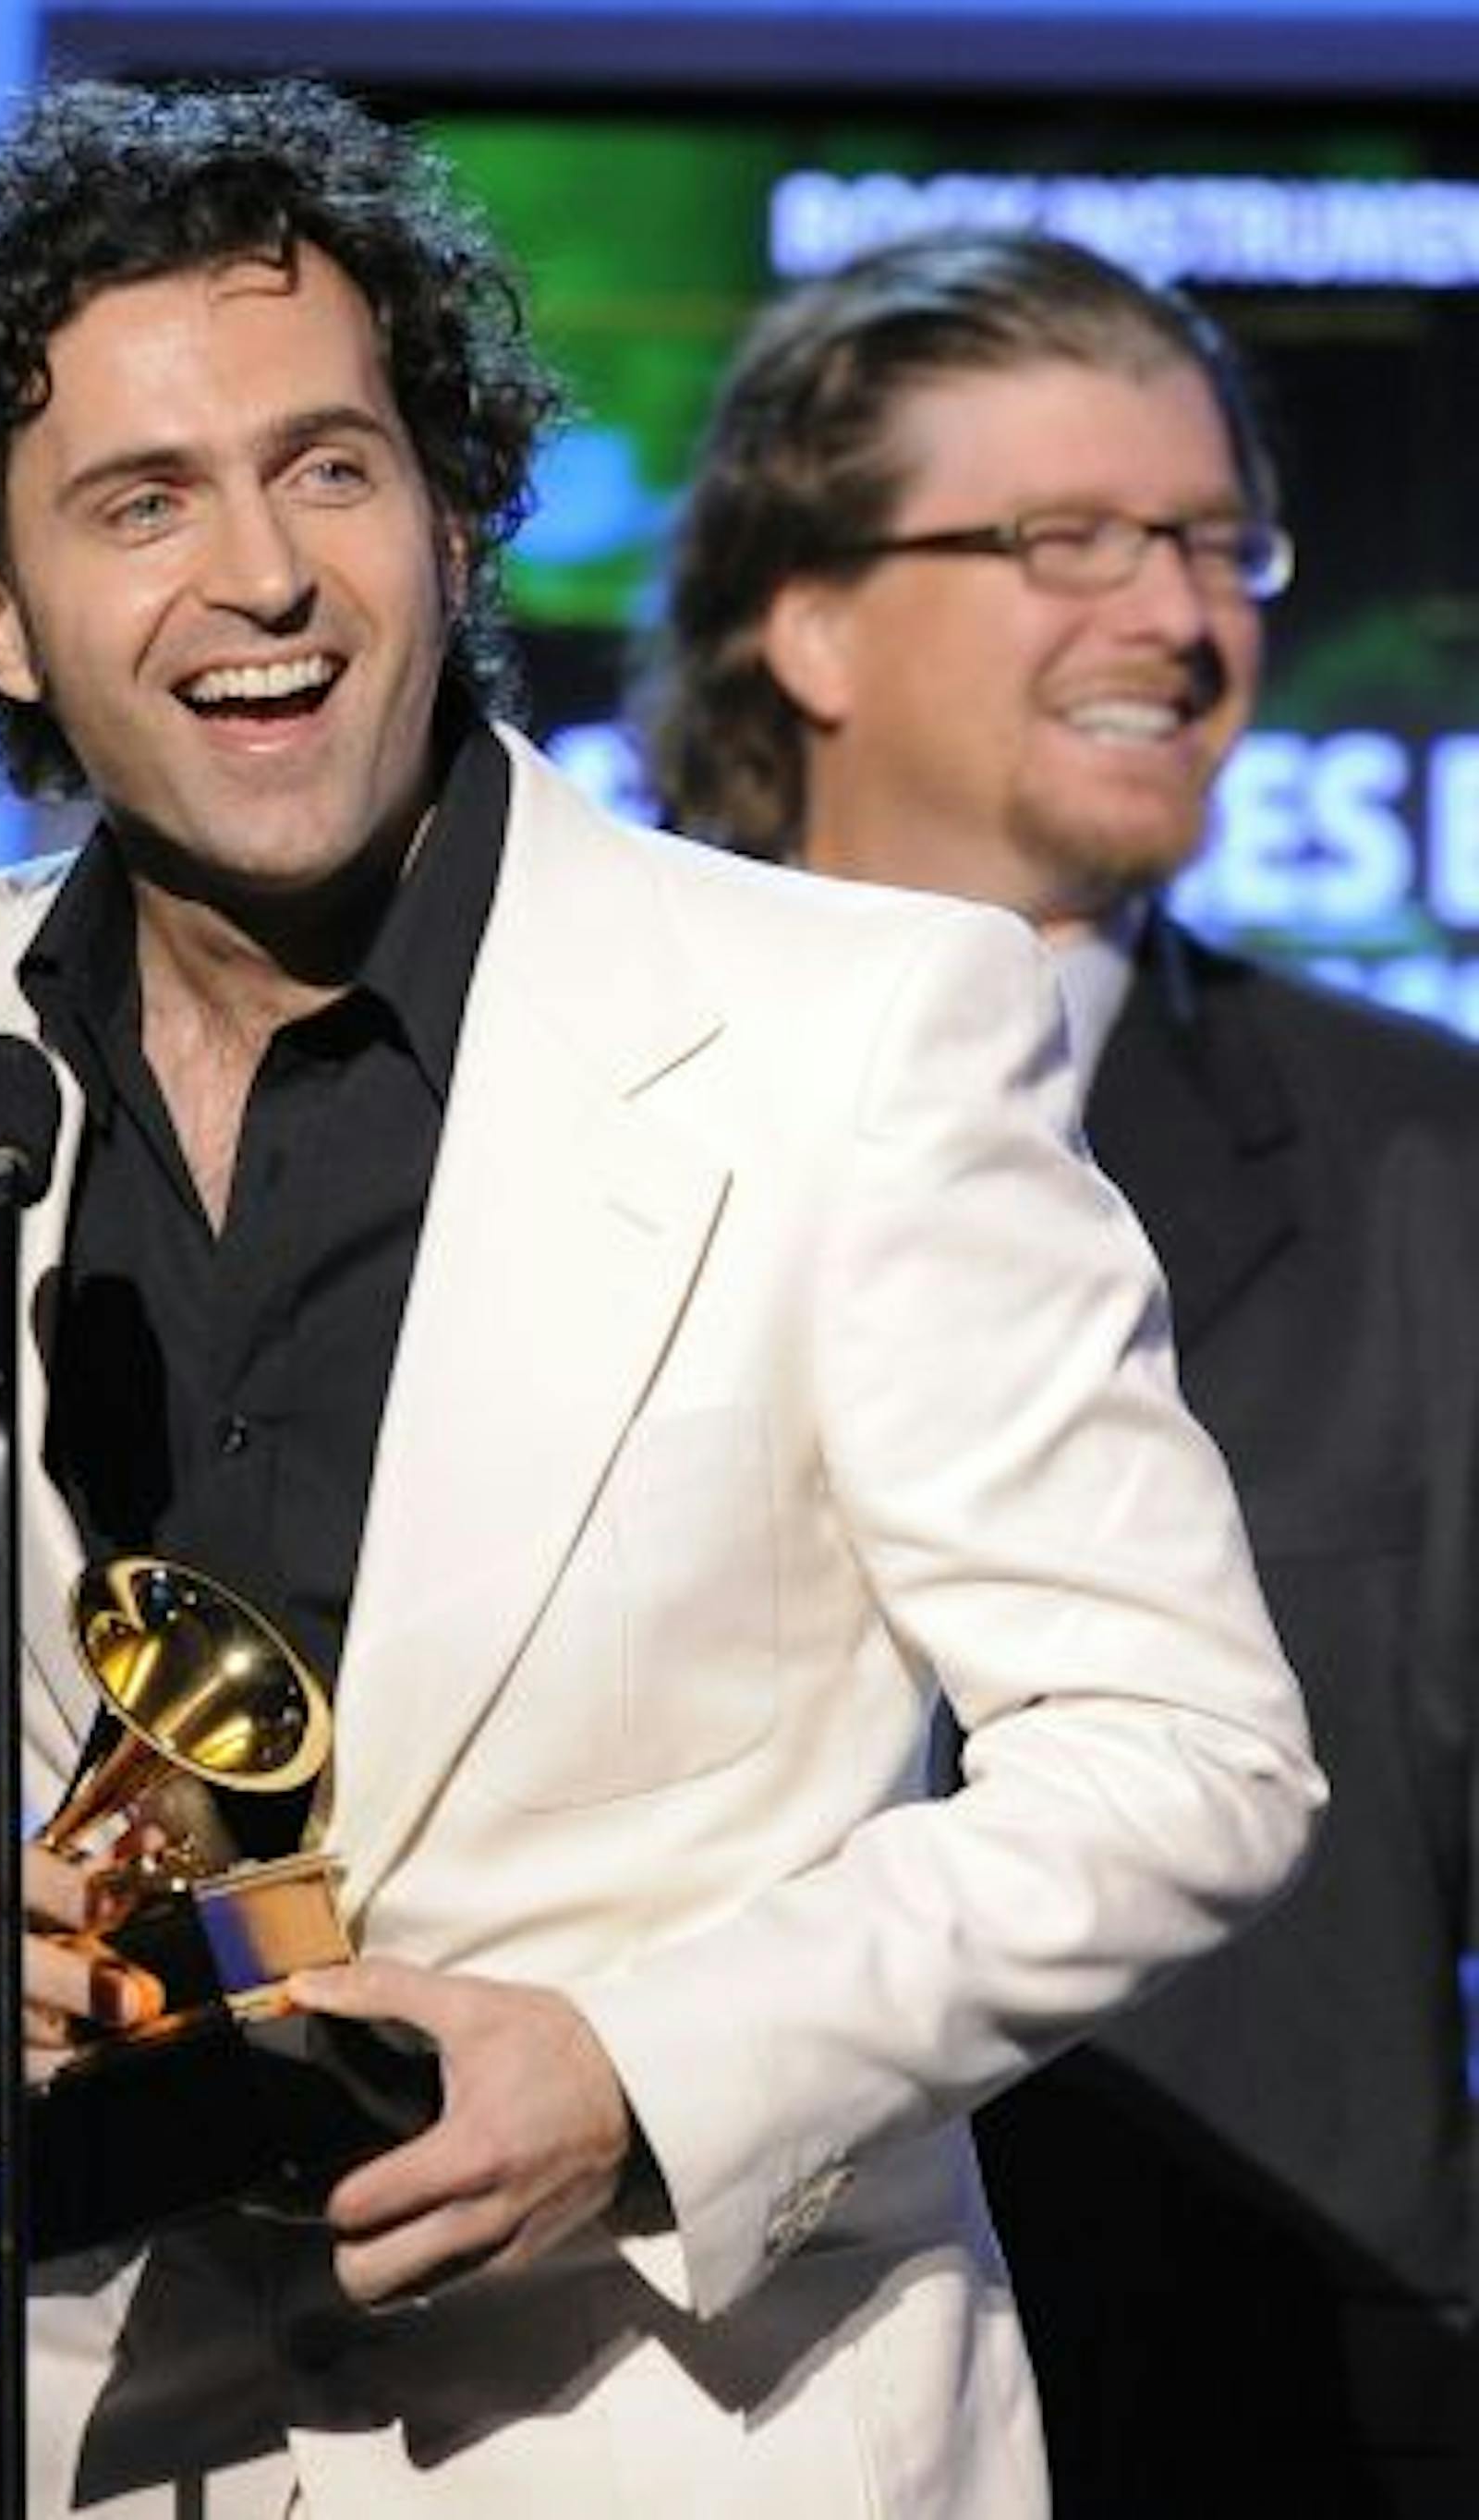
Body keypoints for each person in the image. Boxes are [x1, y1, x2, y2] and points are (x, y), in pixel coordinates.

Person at [0, 91, 1322, 2520]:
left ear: (452, 519)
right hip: (120, 2432)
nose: (264, 575)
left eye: (329, 471)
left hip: (705, 2432)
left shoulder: (851, 1029)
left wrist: (645, 2074)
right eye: (144, 504)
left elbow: (1182, 1748)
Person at [638, 225, 1479, 2519]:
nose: (1180, 618)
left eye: (1217, 543)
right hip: (635, 2408)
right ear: (802, 619)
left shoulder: (1431, 1169)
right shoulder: (536, 1116)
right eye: (1067, 540)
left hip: (1250, 2430)